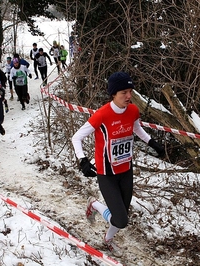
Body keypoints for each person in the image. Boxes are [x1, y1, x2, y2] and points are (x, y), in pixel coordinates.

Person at [71, 72, 165, 257]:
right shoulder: (102, 115)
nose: (129, 96)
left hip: (126, 170)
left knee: (121, 214)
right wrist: (83, 160)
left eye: (130, 91)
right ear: (113, 93)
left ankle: (107, 240)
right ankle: (95, 205)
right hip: (106, 173)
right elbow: (77, 137)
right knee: (121, 220)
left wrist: (153, 143)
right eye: (124, 92)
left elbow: (136, 128)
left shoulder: (133, 111)